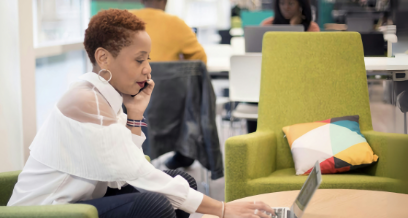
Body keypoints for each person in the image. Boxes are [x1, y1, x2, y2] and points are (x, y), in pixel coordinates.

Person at [7, 9, 274, 218]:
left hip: (83, 202)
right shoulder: (87, 101)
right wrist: (222, 209)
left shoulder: (105, 97)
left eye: (148, 59)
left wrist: (134, 114)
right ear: (103, 58)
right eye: (139, 59)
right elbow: (136, 172)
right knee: (155, 203)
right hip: (49, 211)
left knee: (183, 181)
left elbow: (125, 170)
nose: (148, 69)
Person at [130, 0, 207, 169]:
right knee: (188, 97)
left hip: (127, 105)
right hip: (167, 109)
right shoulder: (176, 24)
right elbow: (200, 62)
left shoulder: (124, 22)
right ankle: (185, 151)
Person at [130, 0, 207, 64]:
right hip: (167, 82)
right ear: (165, 1)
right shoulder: (176, 23)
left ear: (141, 0)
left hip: (131, 81)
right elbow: (200, 59)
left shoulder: (124, 20)